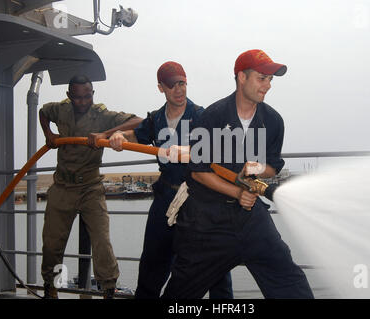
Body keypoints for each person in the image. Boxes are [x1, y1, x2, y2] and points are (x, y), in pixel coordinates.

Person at [161, 50, 314, 299]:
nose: (267, 86)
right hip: (206, 220)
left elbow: (273, 166)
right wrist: (237, 191)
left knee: (290, 282)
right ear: (242, 77)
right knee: (180, 293)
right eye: (261, 78)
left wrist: (259, 169)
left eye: (270, 80)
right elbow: (198, 172)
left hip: (250, 218)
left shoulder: (273, 121)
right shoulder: (212, 116)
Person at [108, 61, 233, 299]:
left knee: (215, 264)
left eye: (183, 83)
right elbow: (136, 134)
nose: (179, 90)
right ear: (161, 88)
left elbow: (218, 146)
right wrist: (118, 135)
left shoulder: (202, 116)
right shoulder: (156, 120)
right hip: (165, 198)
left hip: (199, 198)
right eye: (173, 85)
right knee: (152, 262)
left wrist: (186, 149)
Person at [39, 75, 142, 299]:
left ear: (93, 94)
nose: (84, 102)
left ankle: (108, 289)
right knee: (52, 243)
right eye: (78, 98)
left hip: (91, 188)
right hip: (62, 186)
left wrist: (106, 134)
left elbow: (139, 121)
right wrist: (49, 134)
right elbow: (43, 112)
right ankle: (51, 287)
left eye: (88, 96)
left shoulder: (102, 115)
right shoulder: (60, 109)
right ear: (69, 96)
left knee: (102, 241)